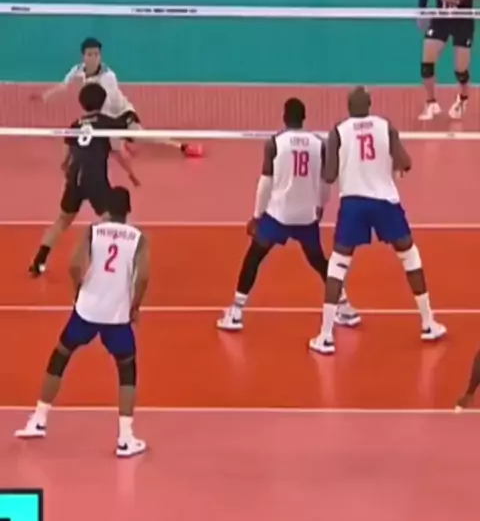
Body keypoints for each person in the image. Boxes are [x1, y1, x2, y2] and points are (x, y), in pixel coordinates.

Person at [309, 87, 446, 355]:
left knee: (338, 264)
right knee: (409, 256)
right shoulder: (385, 126)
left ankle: (325, 336)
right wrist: (396, 166)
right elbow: (405, 161)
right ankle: (428, 323)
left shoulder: (339, 131)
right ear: (370, 105)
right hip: (385, 202)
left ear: (349, 106)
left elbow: (329, 175)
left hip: (353, 204)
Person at [17, 187, 149, 458]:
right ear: (128, 210)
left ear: (107, 209)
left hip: (86, 311)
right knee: (126, 368)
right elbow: (143, 276)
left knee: (60, 356)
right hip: (117, 316)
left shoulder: (93, 231)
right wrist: (135, 306)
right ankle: (125, 438)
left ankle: (39, 419)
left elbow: (74, 265)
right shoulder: (138, 239)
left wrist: (80, 289)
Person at [217, 98, 357, 332]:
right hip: (306, 216)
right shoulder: (319, 144)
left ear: (284, 117)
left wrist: (257, 215)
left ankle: (236, 312)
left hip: (278, 216)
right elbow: (325, 182)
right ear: (304, 118)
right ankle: (345, 307)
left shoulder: (274, 143)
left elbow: (265, 183)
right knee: (319, 261)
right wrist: (320, 206)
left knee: (254, 257)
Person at [29, 82, 140, 277]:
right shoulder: (106, 122)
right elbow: (127, 135)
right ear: (103, 101)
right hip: (94, 177)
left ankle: (39, 261)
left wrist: (67, 168)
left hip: (75, 176)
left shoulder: (75, 124)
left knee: (63, 220)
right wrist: (131, 116)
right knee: (111, 218)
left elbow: (66, 156)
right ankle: (111, 262)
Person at [35, 36, 201, 157]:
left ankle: (182, 146)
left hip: (121, 112)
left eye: (96, 54)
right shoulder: (78, 69)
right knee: (114, 148)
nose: (93, 58)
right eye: (89, 55)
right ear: (83, 56)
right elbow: (64, 85)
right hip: (104, 116)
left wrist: (104, 127)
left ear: (100, 56)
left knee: (141, 136)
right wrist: (45, 96)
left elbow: (108, 103)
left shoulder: (108, 76)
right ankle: (123, 142)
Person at [418, 0, 480, 121]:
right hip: (441, 21)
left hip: (463, 25)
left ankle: (463, 99)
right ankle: (431, 103)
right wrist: (421, 11)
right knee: (426, 66)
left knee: (461, 71)